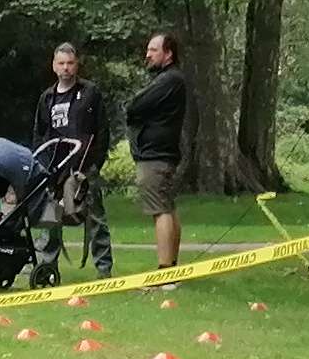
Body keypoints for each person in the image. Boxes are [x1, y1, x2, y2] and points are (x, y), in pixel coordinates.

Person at [33, 39, 113, 278]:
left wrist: (95, 164)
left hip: (84, 167)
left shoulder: (90, 93)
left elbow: (102, 130)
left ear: (77, 65)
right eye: (61, 63)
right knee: (50, 219)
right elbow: (39, 134)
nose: (66, 68)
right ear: (54, 66)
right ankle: (47, 268)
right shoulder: (47, 98)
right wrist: (42, 166)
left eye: (70, 63)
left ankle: (104, 269)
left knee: (95, 218)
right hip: (54, 168)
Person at [126, 30, 192, 272]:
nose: (148, 54)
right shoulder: (167, 79)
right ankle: (171, 267)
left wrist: (135, 110)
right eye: (148, 49)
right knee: (166, 207)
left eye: (154, 50)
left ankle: (165, 271)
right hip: (160, 153)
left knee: (160, 210)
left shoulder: (169, 80)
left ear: (168, 54)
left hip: (156, 155)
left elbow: (135, 106)